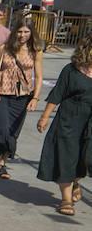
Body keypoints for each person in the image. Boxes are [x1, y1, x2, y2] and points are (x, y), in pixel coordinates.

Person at [36, 36, 92, 216]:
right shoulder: (71, 70)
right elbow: (57, 93)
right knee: (66, 157)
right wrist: (44, 117)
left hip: (90, 123)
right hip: (70, 119)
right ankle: (66, 200)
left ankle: (76, 180)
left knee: (86, 158)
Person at [0, 20, 44, 182]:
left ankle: (1, 165)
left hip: (23, 97)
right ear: (15, 32)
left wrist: (35, 98)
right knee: (2, 130)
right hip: (2, 94)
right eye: (20, 32)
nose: (23, 35)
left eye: (26, 32)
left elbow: (39, 77)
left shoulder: (36, 51)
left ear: (31, 33)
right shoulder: (4, 48)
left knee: (13, 133)